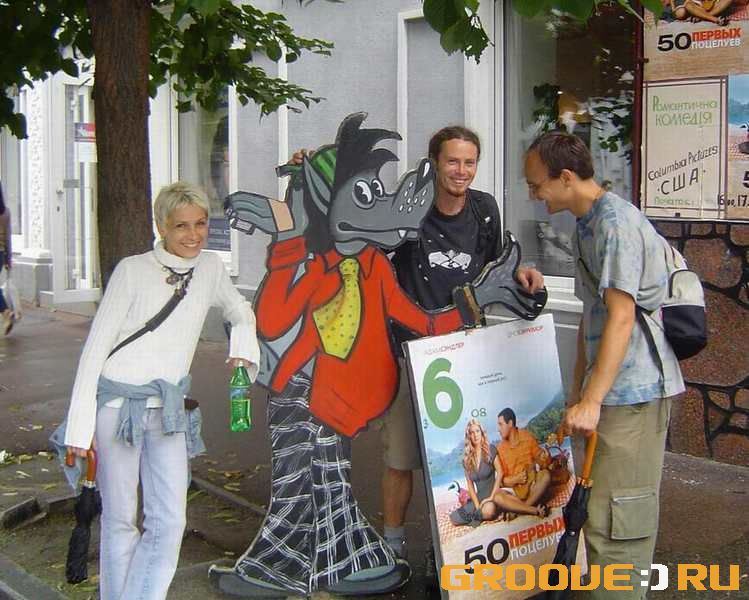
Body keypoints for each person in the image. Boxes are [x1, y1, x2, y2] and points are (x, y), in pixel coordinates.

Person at [59, 182, 260, 600]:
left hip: (169, 411)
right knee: (120, 521)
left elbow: (240, 310)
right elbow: (96, 349)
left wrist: (242, 349)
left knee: (169, 521)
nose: (193, 234)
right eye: (181, 225)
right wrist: (79, 430)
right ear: (161, 226)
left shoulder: (210, 268)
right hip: (119, 408)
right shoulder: (132, 270)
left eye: (201, 224)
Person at [525, 131, 684, 599]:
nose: (533, 195)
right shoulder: (587, 224)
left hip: (634, 393)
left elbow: (621, 315)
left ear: (566, 177)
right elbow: (592, 315)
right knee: (596, 516)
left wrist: (592, 400)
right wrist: (579, 392)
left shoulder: (615, 223)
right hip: (609, 391)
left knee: (620, 524)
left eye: (536, 184)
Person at [380, 126, 544, 558]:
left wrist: (524, 274)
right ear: (435, 162)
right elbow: (365, 249)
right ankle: (393, 546)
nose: (461, 170)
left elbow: (497, 266)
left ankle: (455, 552)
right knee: (401, 456)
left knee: (461, 458)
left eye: (469, 162)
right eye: (452, 161)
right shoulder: (409, 210)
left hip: (468, 353)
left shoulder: (484, 210)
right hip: (410, 351)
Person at [489, 407, 552, 519]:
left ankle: (519, 510)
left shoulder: (527, 436)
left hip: (531, 487)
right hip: (514, 493)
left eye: (501, 424)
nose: (498, 429)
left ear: (510, 423)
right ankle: (532, 509)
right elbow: (501, 482)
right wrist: (515, 479)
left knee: (546, 475)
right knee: (497, 497)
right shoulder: (500, 449)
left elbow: (542, 464)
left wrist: (545, 458)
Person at [449, 419, 499, 526]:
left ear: (481, 433)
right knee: (454, 518)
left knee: (489, 511)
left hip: (493, 494)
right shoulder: (466, 460)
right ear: (469, 436)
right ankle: (477, 515)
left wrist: (492, 496)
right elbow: (470, 486)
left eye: (477, 431)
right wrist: (477, 506)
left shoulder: (490, 449)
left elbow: (500, 473)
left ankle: (478, 516)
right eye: (472, 433)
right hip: (478, 497)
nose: (475, 435)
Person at [0, 181, 13, 335]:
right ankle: (5, 312)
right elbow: (8, 238)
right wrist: (8, 259)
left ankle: (5, 311)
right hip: (1, 254)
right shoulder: (6, 213)